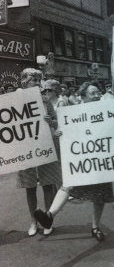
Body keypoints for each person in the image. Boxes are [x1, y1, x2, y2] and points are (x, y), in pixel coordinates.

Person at [34, 82, 114, 241]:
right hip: (82, 157)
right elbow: (65, 130)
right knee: (69, 185)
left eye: (98, 92)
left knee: (100, 194)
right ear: (83, 97)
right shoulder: (74, 113)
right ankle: (49, 216)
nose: (97, 95)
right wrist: (56, 128)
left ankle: (95, 227)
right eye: (93, 93)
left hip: (100, 158)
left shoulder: (107, 110)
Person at [16, 68, 62, 237]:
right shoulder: (15, 100)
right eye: (33, 80)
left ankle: (47, 220)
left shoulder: (45, 100)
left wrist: (51, 121)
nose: (37, 83)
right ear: (24, 82)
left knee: (48, 184)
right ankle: (33, 222)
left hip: (44, 145)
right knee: (30, 187)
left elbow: (57, 122)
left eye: (38, 80)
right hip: (26, 148)